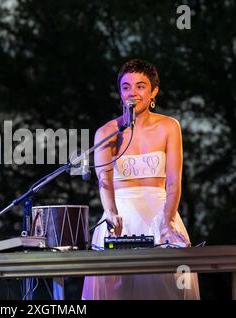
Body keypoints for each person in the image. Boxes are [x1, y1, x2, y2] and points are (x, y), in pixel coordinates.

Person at [82, 59, 200, 300]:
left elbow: (174, 181)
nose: (132, 93)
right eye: (126, 87)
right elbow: (103, 180)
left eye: (140, 86)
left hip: (160, 212)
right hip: (120, 216)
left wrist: (167, 221)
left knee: (167, 286)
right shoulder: (107, 132)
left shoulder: (169, 126)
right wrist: (111, 213)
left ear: (154, 91)